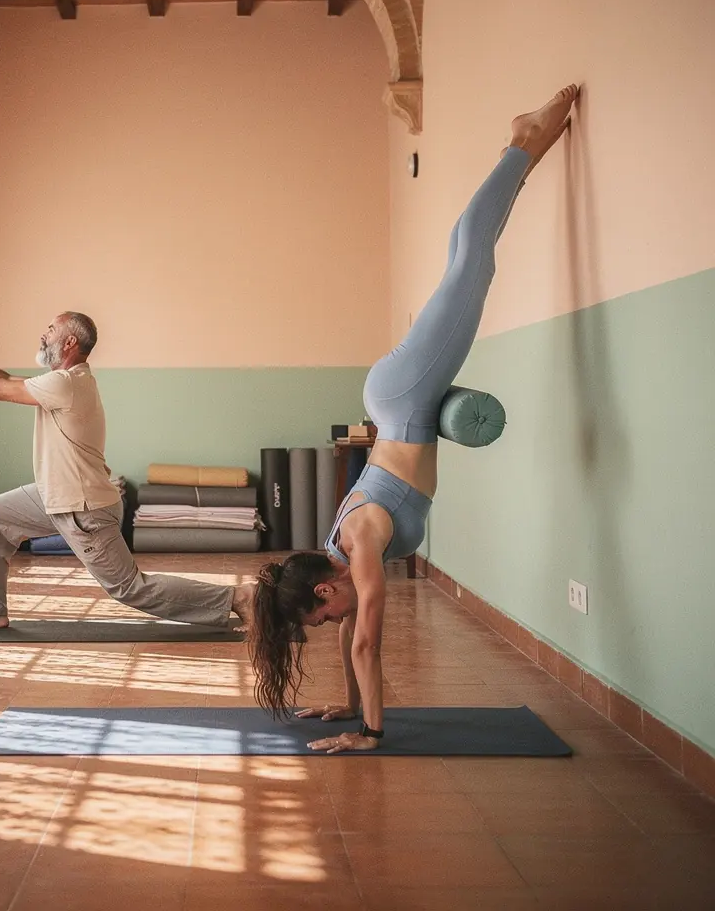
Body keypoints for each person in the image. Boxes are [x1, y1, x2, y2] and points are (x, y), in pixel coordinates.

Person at [247, 85, 580, 753]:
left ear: (325, 585)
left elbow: (366, 636)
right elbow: (351, 632)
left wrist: (368, 733)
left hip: (405, 399)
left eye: (321, 613)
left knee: (474, 260)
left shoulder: (362, 542)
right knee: (467, 256)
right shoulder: (340, 552)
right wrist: (344, 702)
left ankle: (522, 142)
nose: (333, 620)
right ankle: (517, 151)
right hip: (401, 400)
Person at [0, 312, 253, 630]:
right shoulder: (61, 381)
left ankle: (237, 597)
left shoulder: (66, 384)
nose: (43, 333)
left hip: (83, 506)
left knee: (130, 587)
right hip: (55, 494)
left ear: (69, 343)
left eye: (51, 329)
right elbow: (4, 379)